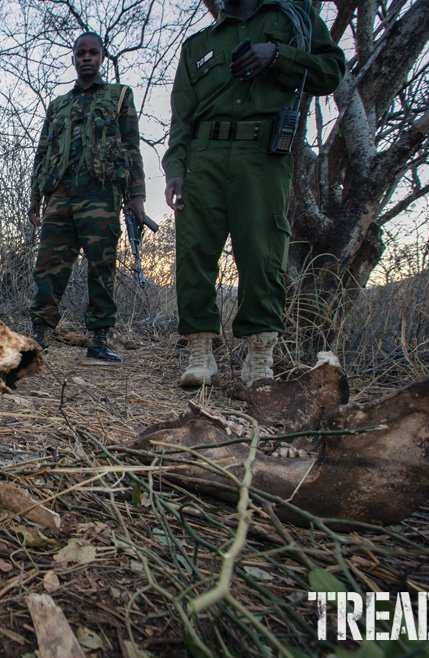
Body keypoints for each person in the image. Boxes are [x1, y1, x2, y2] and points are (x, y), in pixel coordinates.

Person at [163, 0, 344, 388]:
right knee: (194, 252)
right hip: (204, 154)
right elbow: (182, 114)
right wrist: (175, 169)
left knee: (263, 252)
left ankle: (260, 355)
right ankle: (199, 351)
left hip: (263, 153)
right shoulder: (199, 43)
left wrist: (278, 56)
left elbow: (331, 72)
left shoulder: (292, 18)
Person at [28, 31, 146, 363]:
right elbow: (42, 153)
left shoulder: (119, 96)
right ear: (74, 59)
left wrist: (136, 195)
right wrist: (35, 200)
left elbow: (132, 146)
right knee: (49, 265)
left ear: (102, 57)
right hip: (60, 193)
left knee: (101, 266)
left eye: (93, 52)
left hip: (101, 191)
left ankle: (98, 339)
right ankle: (38, 335)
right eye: (81, 53)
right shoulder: (58, 105)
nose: (87, 58)